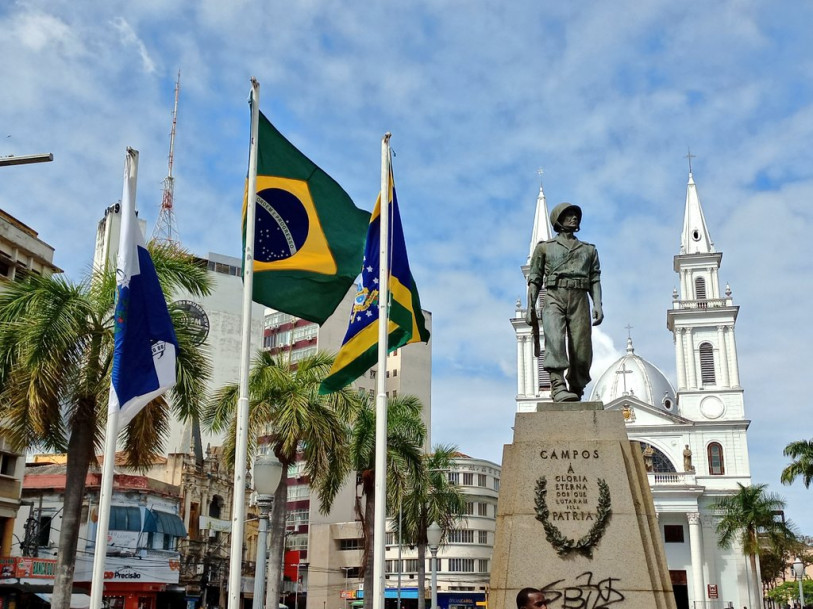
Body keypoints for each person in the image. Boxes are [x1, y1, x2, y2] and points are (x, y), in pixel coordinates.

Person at [527, 203, 603, 401]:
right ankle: (558, 385)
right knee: (554, 341)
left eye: (576, 215)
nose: (574, 218)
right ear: (558, 221)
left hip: (580, 298)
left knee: (582, 348)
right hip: (554, 297)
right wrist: (531, 307)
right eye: (568, 215)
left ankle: (577, 386)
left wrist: (598, 304)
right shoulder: (544, 248)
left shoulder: (589, 250)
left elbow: (595, 278)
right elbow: (534, 278)